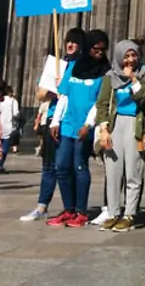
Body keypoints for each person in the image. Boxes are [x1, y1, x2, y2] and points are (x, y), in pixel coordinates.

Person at [47, 30, 111, 228]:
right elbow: (64, 96)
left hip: (85, 126)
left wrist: (88, 125)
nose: (99, 51)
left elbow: (99, 102)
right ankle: (69, 208)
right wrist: (55, 121)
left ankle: (81, 211)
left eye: (103, 48)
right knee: (61, 166)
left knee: (79, 165)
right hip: (67, 123)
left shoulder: (104, 72)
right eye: (95, 48)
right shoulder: (74, 67)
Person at [21, 27, 86, 221]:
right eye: (68, 41)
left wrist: (67, 87)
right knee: (49, 165)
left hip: (72, 119)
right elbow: (40, 93)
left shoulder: (83, 66)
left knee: (69, 166)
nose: (70, 44)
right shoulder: (57, 64)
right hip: (52, 118)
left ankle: (73, 208)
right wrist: (54, 89)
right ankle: (42, 206)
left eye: (74, 41)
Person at [93, 40, 145, 232]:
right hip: (115, 124)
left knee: (133, 170)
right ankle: (113, 212)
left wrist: (134, 81)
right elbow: (102, 103)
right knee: (113, 172)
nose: (130, 60)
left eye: (134, 55)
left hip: (137, 125)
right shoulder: (110, 76)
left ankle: (130, 213)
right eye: (126, 56)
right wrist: (104, 129)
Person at [0, 83, 20, 172]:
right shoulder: (13, 101)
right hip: (8, 126)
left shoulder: (1, 100)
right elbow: (16, 113)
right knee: (5, 147)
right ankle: (0, 165)